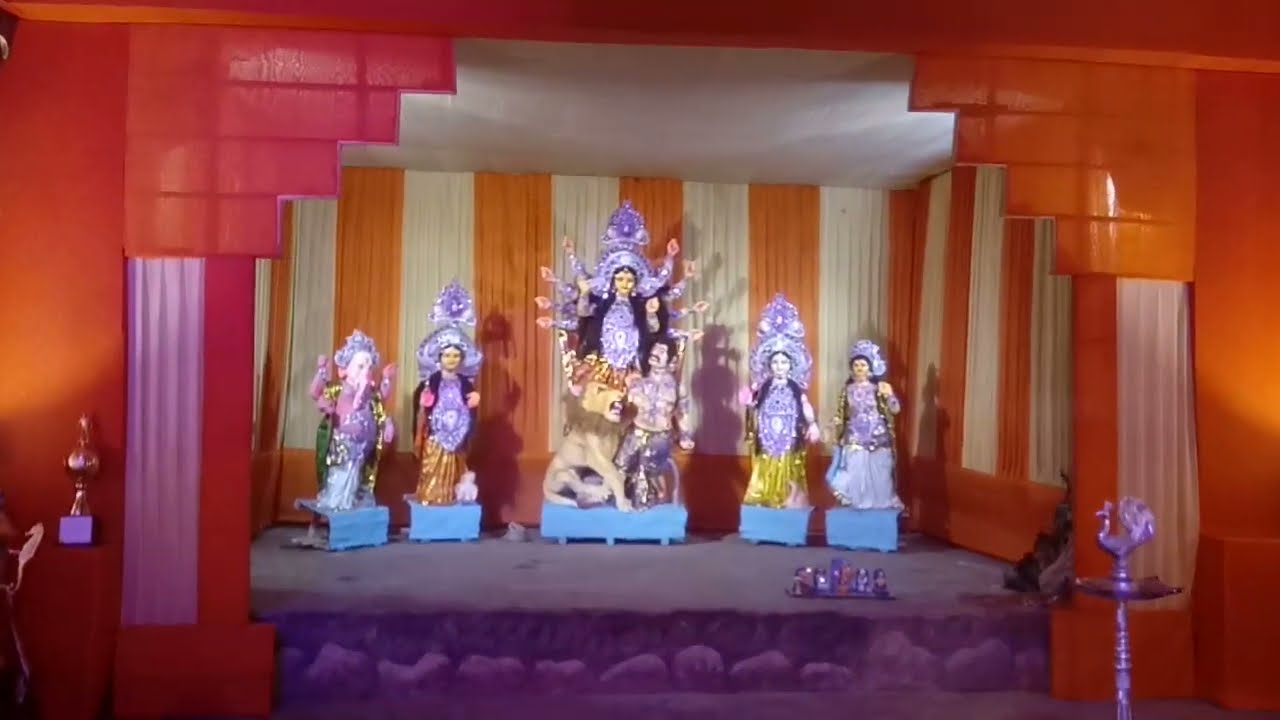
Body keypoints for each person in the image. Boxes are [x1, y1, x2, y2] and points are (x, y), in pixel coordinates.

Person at [739, 293, 822, 508]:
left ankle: (788, 498)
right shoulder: (763, 388)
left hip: (789, 433)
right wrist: (748, 401)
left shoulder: (795, 388)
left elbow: (805, 406)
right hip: (767, 434)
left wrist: (812, 425)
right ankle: (765, 497)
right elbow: (753, 406)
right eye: (775, 362)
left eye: (783, 362)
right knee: (766, 462)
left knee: (788, 465)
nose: (779, 366)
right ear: (768, 365)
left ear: (791, 365)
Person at [412, 281, 484, 505]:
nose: (451, 359)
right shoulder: (431, 382)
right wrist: (424, 405)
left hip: (457, 440)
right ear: (439, 358)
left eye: (456, 356)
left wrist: (473, 404)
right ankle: (432, 499)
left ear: (462, 359)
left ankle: (453, 498)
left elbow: (470, 411)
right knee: (432, 475)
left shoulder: (465, 385)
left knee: (456, 473)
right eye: (447, 355)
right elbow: (423, 412)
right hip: (436, 438)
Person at [824, 339, 904, 511]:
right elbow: (841, 414)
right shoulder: (847, 390)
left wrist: (890, 395)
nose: (859, 368)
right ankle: (856, 504)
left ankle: (881, 503)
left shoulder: (879, 388)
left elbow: (895, 410)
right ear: (851, 368)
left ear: (870, 368)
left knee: (880, 474)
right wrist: (831, 427)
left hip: (877, 436)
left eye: (863, 365)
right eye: (856, 365)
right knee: (854, 471)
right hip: (854, 436)